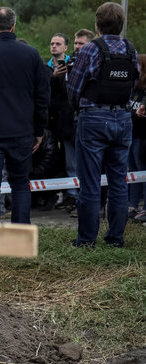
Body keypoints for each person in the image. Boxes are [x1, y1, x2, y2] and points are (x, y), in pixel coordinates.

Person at [67, 2, 139, 248]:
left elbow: (74, 87)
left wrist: (80, 105)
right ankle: (115, 239)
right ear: (121, 25)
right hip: (123, 118)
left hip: (94, 118)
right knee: (119, 182)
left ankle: (86, 240)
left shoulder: (90, 49)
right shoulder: (131, 49)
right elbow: (134, 82)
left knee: (90, 182)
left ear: (97, 24)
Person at [0, 7, 49, 224]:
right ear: (14, 26)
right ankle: (21, 232)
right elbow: (42, 96)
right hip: (22, 130)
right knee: (20, 183)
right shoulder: (31, 54)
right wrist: (39, 130)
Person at [48, 33, 78, 211]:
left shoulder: (73, 64)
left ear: (65, 47)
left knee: (72, 161)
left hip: (70, 121)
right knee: (58, 161)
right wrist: (52, 76)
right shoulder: (46, 67)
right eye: (52, 43)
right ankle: (60, 193)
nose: (54, 47)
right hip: (53, 121)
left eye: (58, 44)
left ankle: (73, 195)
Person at [129, 55, 146, 221]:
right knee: (133, 172)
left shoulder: (144, 90)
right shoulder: (132, 88)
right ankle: (132, 205)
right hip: (130, 134)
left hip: (141, 136)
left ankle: (145, 208)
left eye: (138, 66)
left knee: (142, 170)